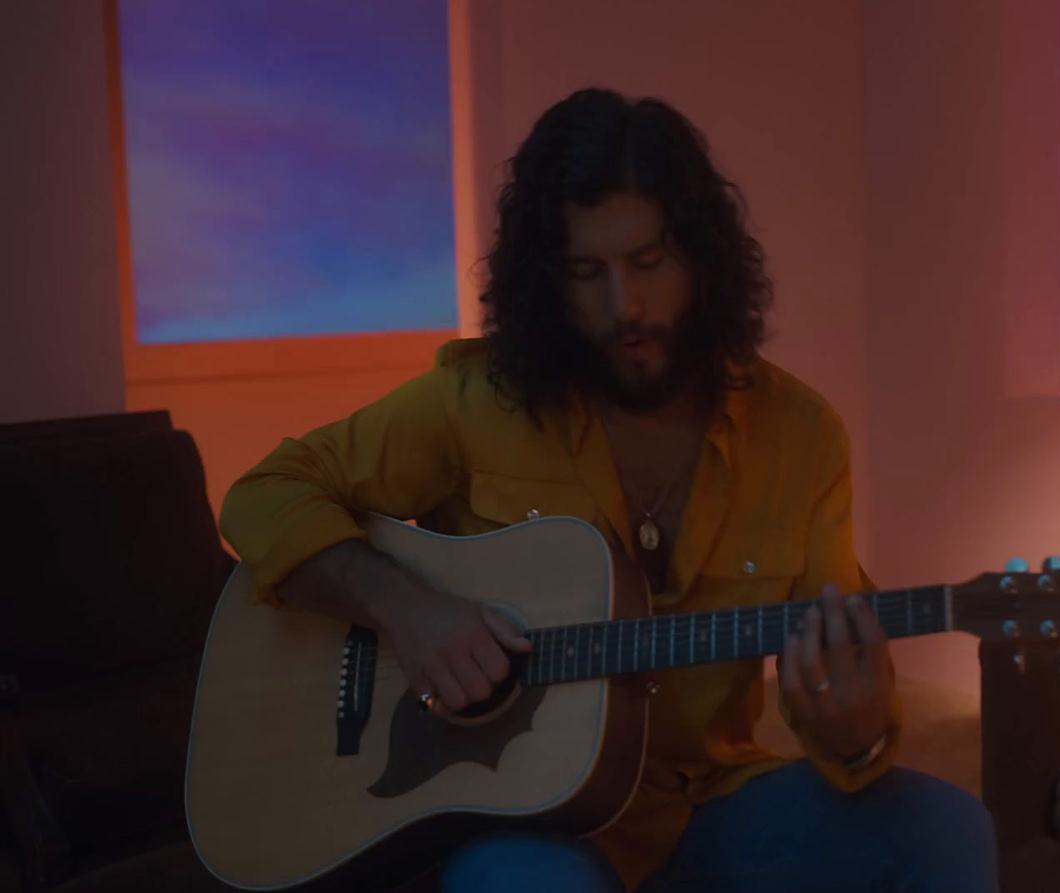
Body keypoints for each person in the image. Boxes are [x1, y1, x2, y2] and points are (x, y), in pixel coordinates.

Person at [218, 87, 998, 893]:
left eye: (649, 263)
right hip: (526, 826)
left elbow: (835, 667)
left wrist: (856, 732)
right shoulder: (478, 400)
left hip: (710, 808)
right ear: (546, 284)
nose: (625, 305)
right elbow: (265, 493)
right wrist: (406, 608)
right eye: (587, 273)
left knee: (944, 827)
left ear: (701, 256)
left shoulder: (800, 435)